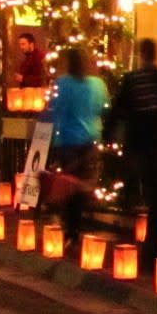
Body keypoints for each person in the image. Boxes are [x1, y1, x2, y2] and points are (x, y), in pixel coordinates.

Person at [104, 38, 157, 274]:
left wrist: (108, 133)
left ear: (141, 54)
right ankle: (152, 251)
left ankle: (141, 245)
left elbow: (118, 109)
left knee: (141, 192)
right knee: (156, 199)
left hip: (140, 145)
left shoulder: (132, 80)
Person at [49, 47, 108, 249]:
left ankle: (71, 228)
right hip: (90, 139)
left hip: (66, 140)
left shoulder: (62, 83)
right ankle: (77, 223)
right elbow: (103, 107)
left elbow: (54, 109)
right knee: (85, 182)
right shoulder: (98, 85)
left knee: (70, 184)